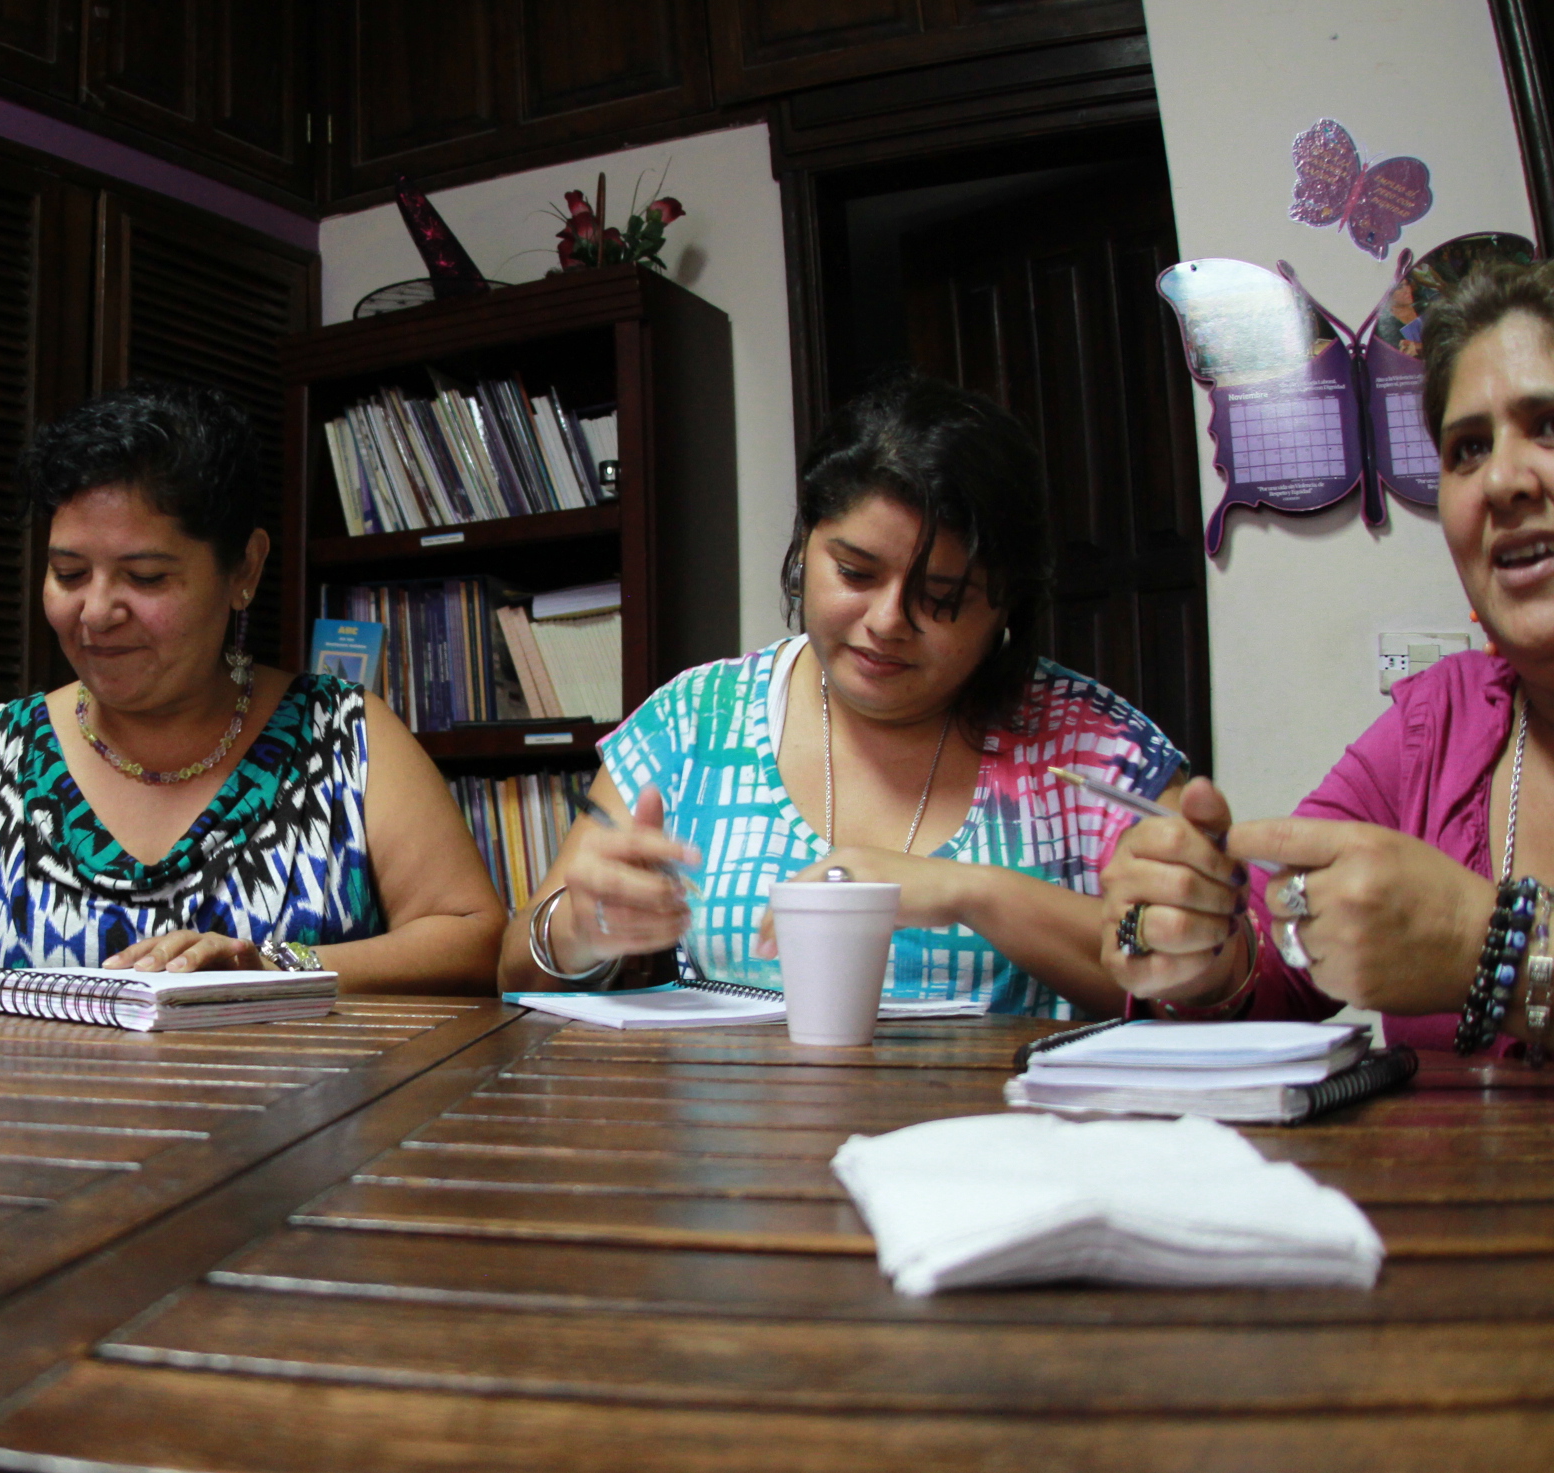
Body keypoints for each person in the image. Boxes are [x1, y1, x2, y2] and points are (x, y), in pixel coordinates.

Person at [498, 372, 1187, 1017]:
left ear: (1008, 604)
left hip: (1000, 1139)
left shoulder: (1097, 749)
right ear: (804, 548)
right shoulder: (695, 721)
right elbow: (515, 974)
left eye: (941, 597)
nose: (887, 621)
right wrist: (578, 930)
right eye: (855, 572)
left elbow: (1199, 978)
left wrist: (972, 892)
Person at [0, 380, 504, 999]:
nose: (97, 611)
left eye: (146, 577)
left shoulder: (342, 735)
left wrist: (274, 965)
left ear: (243, 568)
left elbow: (474, 939)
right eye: (69, 573)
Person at [1102, 256, 1554, 1055]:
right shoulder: (1439, 725)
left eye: (1547, 426)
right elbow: (1279, 949)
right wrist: (1201, 942)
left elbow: (1465, 944)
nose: (1504, 481)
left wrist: (1481, 947)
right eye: (1468, 448)